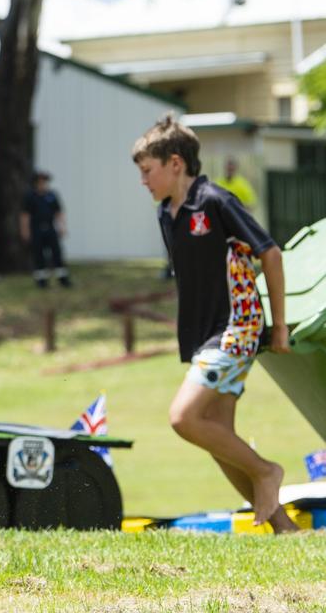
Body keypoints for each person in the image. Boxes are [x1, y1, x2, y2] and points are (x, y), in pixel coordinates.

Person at [131, 113, 295, 532]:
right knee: (219, 437)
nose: (143, 181)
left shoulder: (216, 201)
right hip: (203, 336)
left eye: (147, 171)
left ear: (175, 163)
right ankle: (285, 529)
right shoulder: (165, 215)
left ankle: (266, 470)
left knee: (184, 418)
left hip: (237, 328)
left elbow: (270, 254)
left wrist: (278, 327)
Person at [20, 170, 71, 288]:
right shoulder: (30, 196)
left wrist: (62, 227)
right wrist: (25, 231)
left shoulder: (52, 195)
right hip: (36, 229)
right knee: (39, 255)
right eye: (40, 182)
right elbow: (25, 215)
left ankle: (63, 278)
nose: (43, 184)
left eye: (45, 182)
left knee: (57, 253)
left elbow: (59, 213)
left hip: (50, 227)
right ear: (36, 183)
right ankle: (41, 280)